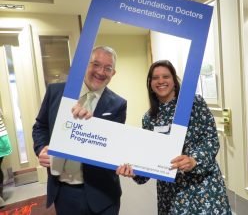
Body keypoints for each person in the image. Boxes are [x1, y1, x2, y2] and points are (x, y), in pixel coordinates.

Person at [116, 60, 232, 214]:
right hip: (170, 193)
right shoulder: (149, 118)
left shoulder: (194, 104)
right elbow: (149, 157)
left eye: (166, 76)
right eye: (155, 77)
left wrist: (194, 160)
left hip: (203, 186)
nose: (161, 81)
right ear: (150, 83)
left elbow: (210, 139)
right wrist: (134, 170)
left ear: (174, 81)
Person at [32, 46, 127, 215]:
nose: (101, 72)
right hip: (65, 192)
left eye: (108, 68)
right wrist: (42, 148)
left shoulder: (118, 104)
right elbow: (41, 126)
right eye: (96, 64)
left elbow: (113, 145)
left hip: (103, 194)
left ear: (113, 73)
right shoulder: (56, 92)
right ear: (85, 65)